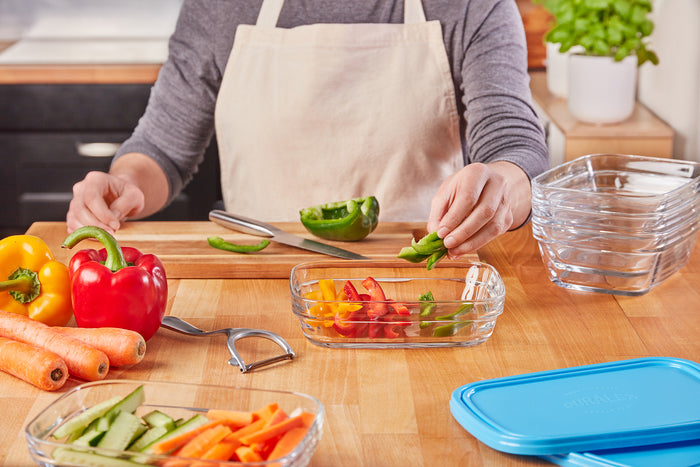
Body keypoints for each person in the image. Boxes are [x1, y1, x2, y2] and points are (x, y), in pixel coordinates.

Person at [66, 0, 549, 259]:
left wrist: (503, 188)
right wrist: (126, 184)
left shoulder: (472, 5)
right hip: (256, 274)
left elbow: (515, 146)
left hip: (418, 281)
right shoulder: (218, 7)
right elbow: (161, 150)